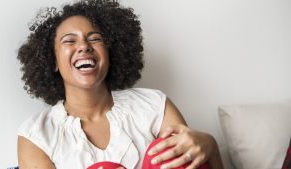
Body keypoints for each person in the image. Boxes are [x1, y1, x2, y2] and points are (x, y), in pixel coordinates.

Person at [17, 0, 224, 169]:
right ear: (52, 61)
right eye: (70, 41)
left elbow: (189, 162)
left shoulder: (154, 105)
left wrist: (212, 147)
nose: (83, 46)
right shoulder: (36, 135)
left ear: (110, 53)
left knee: (173, 153)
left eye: (94, 38)